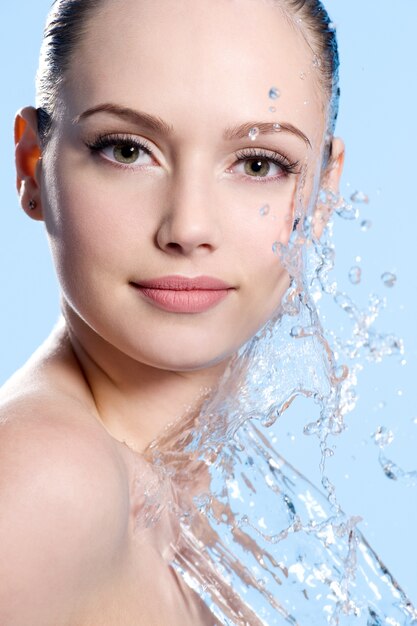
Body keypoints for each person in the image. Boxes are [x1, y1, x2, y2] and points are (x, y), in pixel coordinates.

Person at [0, 0, 346, 624]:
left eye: (257, 163)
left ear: (324, 191)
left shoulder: (202, 489)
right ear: (32, 169)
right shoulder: (46, 481)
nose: (188, 228)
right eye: (127, 150)